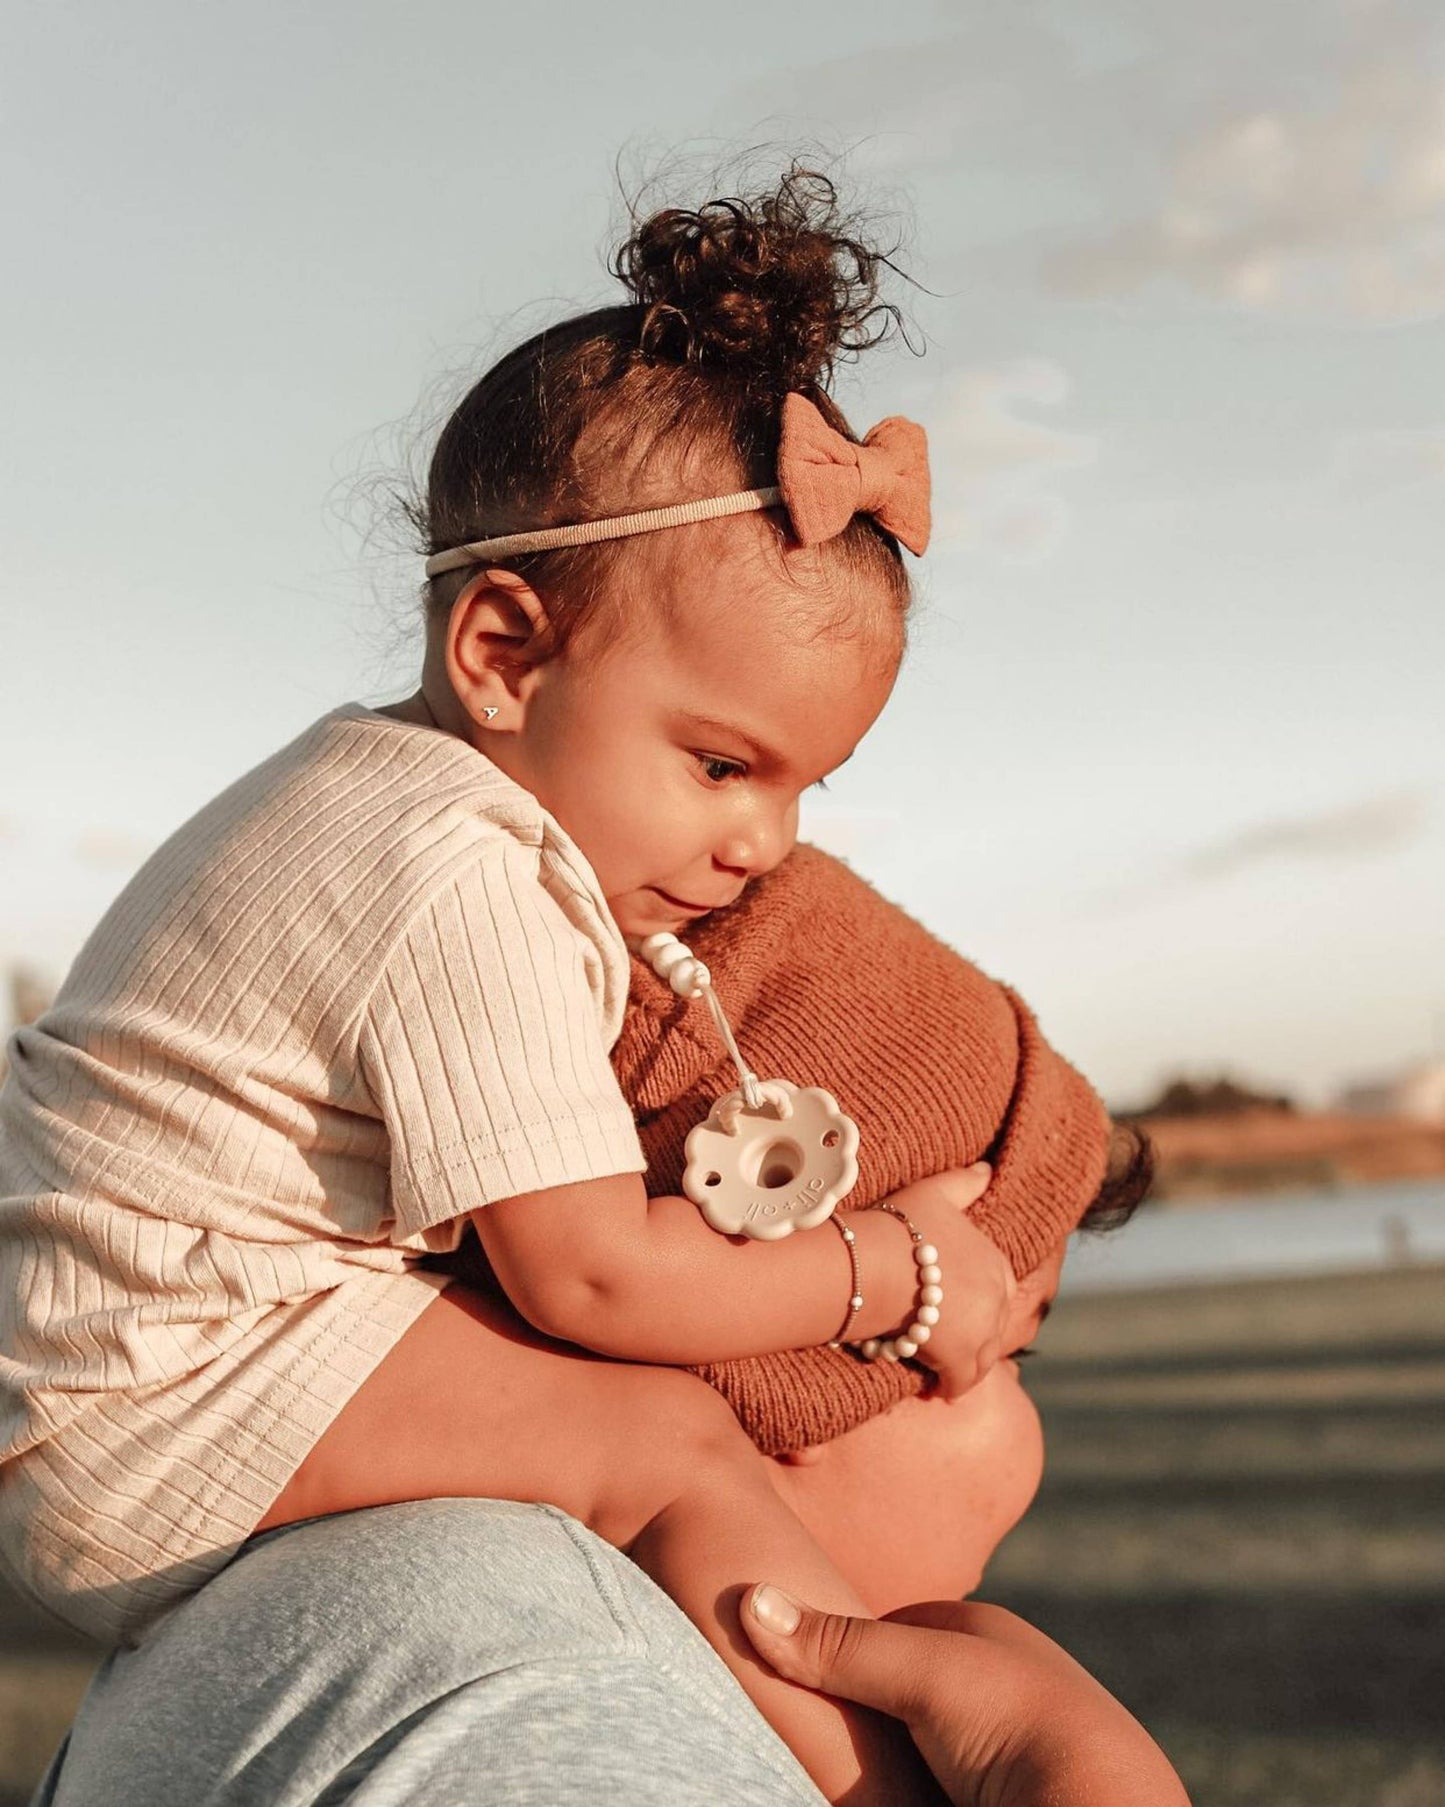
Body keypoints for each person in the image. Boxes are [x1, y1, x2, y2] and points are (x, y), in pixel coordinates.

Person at [1, 167, 1141, 1805]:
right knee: (660, 1448)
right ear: (503, 652)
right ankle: (883, 1786)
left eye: (802, 791)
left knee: (669, 1427)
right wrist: (881, 1271)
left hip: (157, 1357)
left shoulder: (375, 797)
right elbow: (593, 1280)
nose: (762, 843)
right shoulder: (455, 868)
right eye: (721, 763)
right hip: (175, 1388)